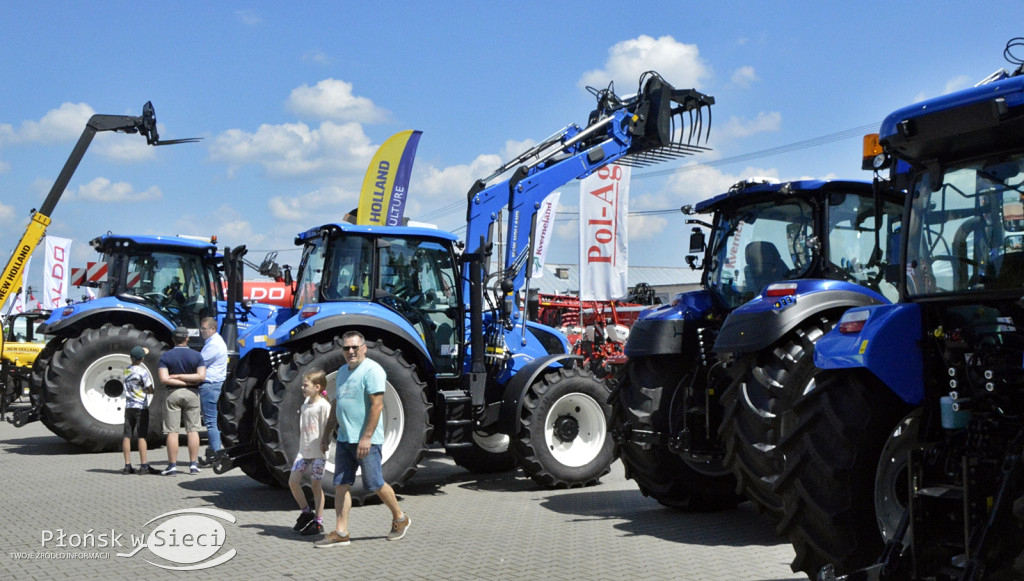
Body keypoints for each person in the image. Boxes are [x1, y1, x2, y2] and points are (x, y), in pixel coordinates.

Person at [314, 331, 410, 547]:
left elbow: (377, 405)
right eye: (346, 348)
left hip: (366, 440)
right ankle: (341, 532)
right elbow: (337, 404)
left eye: (355, 347)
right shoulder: (341, 372)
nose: (350, 351)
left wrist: (366, 438)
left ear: (364, 348)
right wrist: (327, 432)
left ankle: (400, 518)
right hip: (345, 439)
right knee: (341, 484)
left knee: (374, 483)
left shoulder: (372, 370)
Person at [158, 326, 206, 476]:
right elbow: (201, 377)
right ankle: (193, 465)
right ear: (187, 338)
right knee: (193, 430)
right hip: (193, 394)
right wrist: (188, 383)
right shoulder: (197, 356)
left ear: (173, 339)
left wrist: (176, 377)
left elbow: (164, 379)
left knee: (172, 431)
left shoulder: (165, 357)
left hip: (172, 394)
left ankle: (172, 466)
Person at [289, 370, 331, 537]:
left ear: (317, 387)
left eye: (306, 385)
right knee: (293, 482)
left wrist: (325, 442)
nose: (302, 387)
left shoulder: (324, 406)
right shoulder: (305, 404)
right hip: (304, 452)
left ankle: (318, 522)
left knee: (316, 486)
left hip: (318, 454)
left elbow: (329, 427)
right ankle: (306, 512)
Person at [197, 317, 228, 467]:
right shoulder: (213, 342)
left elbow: (199, 361)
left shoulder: (214, 344)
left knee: (211, 422)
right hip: (212, 384)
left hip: (210, 384)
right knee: (212, 421)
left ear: (212, 329)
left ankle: (216, 455)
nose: (201, 331)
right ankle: (212, 453)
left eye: (204, 328)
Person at [122, 345, 154, 475]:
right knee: (141, 436)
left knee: (127, 436)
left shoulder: (126, 371)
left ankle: (127, 466)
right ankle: (144, 466)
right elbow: (150, 389)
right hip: (141, 406)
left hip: (128, 406)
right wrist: (146, 390)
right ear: (142, 359)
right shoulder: (142, 372)